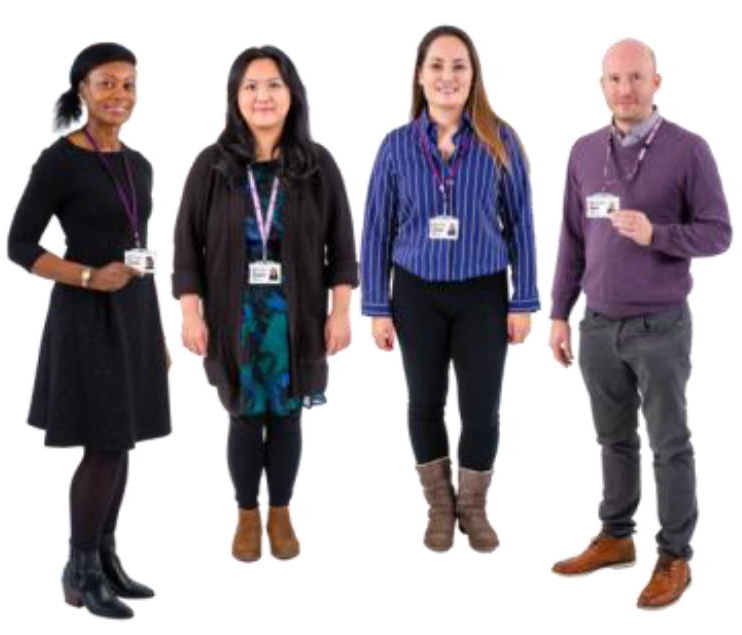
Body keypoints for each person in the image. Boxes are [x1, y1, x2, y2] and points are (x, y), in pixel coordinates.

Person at [549, 39, 732, 608]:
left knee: (669, 443)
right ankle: (615, 538)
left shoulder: (688, 150)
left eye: (636, 78)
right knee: (613, 440)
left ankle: (675, 556)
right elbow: (572, 241)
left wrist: (659, 235)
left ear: (657, 83)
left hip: (660, 327)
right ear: (602, 85)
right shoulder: (583, 152)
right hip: (598, 326)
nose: (625, 89)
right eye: (614, 79)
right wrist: (559, 312)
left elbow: (719, 232)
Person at [173, 46, 358, 562]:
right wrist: (192, 314)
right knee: (241, 416)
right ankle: (246, 515)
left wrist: (339, 312)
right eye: (251, 85)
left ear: (292, 94)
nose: (263, 95)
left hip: (294, 315)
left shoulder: (317, 165)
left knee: (288, 418)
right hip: (235, 317)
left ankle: (281, 512)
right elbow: (187, 246)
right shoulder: (211, 166)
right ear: (236, 98)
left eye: (274, 84)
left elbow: (342, 249)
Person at [7, 43, 171, 619]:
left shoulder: (139, 163)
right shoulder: (59, 160)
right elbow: (18, 246)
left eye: (128, 84)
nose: (118, 95)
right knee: (103, 446)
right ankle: (79, 568)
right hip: (84, 316)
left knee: (122, 443)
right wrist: (85, 275)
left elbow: (142, 248)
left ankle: (105, 558)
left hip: (134, 314)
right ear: (81, 89)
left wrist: (156, 333)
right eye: (106, 83)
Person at [360, 25, 539, 553]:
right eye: (436, 65)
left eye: (459, 65)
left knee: (482, 408)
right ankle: (440, 507)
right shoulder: (395, 147)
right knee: (424, 403)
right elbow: (377, 228)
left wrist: (522, 299)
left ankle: (474, 508)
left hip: (483, 292)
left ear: (473, 75)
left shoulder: (499, 139)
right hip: (415, 293)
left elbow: (521, 223)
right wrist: (377, 305)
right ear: (420, 75)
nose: (447, 76)